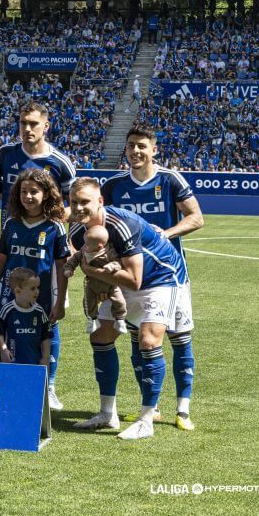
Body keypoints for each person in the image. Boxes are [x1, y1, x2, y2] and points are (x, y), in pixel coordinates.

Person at [68, 177, 189, 440]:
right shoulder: (77, 231)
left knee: (148, 340)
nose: (78, 208)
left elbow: (134, 279)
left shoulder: (122, 223)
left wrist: (90, 270)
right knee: (100, 336)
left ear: (100, 201)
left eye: (85, 202)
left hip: (161, 278)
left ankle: (147, 419)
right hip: (122, 281)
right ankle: (107, 414)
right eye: (74, 202)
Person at [102, 124, 203, 430]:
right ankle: (152, 406)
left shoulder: (169, 179)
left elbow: (196, 218)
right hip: (132, 275)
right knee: (138, 339)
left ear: (154, 149)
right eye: (131, 145)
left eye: (142, 146)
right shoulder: (114, 186)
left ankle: (183, 409)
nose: (135, 151)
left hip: (171, 274)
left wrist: (166, 233)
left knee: (179, 338)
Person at [0, 169, 69, 410]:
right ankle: (2, 381)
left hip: (41, 296)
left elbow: (62, 266)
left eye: (34, 191)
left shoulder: (55, 227)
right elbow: (1, 261)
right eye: (24, 191)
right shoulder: (12, 224)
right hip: (10, 296)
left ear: (46, 194)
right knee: (5, 333)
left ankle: (47, 386)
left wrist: (60, 301)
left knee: (44, 336)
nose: (28, 196)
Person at [0, 102, 76, 223]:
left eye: (33, 124)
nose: (27, 129)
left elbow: (74, 206)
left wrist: (55, 218)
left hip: (46, 236)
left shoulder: (61, 162)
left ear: (46, 126)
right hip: (10, 235)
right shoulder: (4, 154)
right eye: (23, 123)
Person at [63, 225, 128, 333]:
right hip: (92, 284)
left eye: (87, 244)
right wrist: (68, 269)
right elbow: (73, 260)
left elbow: (119, 262)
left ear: (99, 247)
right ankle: (92, 320)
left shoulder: (109, 252)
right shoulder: (83, 252)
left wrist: (111, 266)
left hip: (110, 284)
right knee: (88, 303)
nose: (84, 246)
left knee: (120, 301)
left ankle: (120, 320)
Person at [0, 268, 52, 366]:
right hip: (11, 362)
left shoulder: (39, 311)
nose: (37, 292)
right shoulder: (8, 310)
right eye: (33, 288)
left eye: (38, 288)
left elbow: (46, 336)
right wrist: (3, 349)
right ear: (18, 291)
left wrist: (45, 357)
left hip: (34, 363)